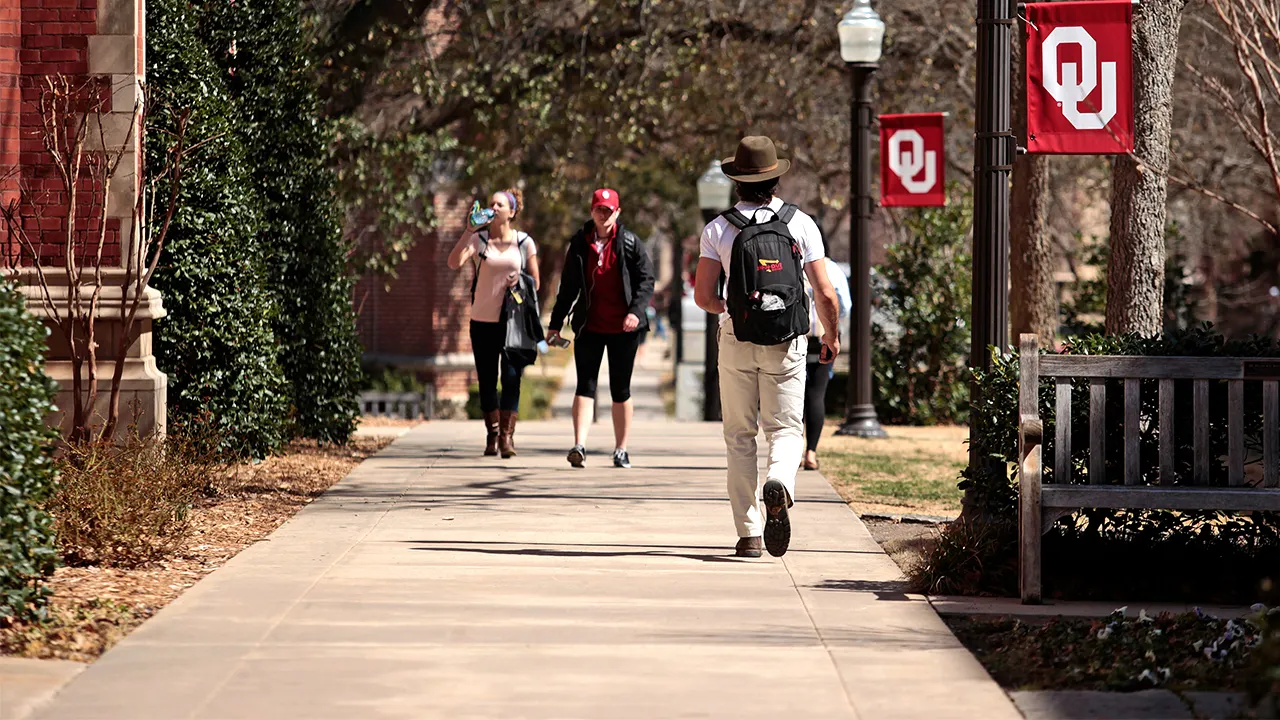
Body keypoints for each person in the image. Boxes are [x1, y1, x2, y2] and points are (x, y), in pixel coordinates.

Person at [694, 136, 840, 559]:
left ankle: (749, 534)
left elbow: (703, 296)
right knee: (786, 429)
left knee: (740, 436)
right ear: (776, 179)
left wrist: (731, 309)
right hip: (787, 341)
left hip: (736, 339)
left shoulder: (718, 229)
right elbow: (825, 293)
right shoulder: (801, 223)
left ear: (737, 181)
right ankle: (779, 480)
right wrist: (831, 336)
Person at [548, 188, 656, 469]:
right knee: (585, 386)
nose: (603, 214)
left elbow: (646, 280)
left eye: (608, 210)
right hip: (590, 326)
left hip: (624, 329)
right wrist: (555, 325)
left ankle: (621, 449)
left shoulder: (630, 243)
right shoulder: (580, 243)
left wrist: (635, 312)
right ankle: (579, 446)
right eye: (599, 209)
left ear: (617, 213)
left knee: (620, 390)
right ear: (591, 211)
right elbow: (568, 287)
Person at [446, 188, 538, 458]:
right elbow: (453, 263)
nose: (494, 208)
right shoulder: (479, 239)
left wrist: (519, 281)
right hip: (482, 321)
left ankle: (507, 438)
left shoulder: (524, 242)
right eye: (491, 204)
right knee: (487, 381)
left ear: (512, 212)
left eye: (500, 205)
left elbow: (536, 282)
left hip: (513, 323)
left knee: (511, 379)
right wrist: (468, 230)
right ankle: (492, 435)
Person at [802, 254, 852, 471]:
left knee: (792, 397)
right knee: (816, 395)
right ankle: (811, 453)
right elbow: (845, 306)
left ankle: (792, 451)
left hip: (793, 338)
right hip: (823, 338)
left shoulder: (790, 262)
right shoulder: (832, 269)